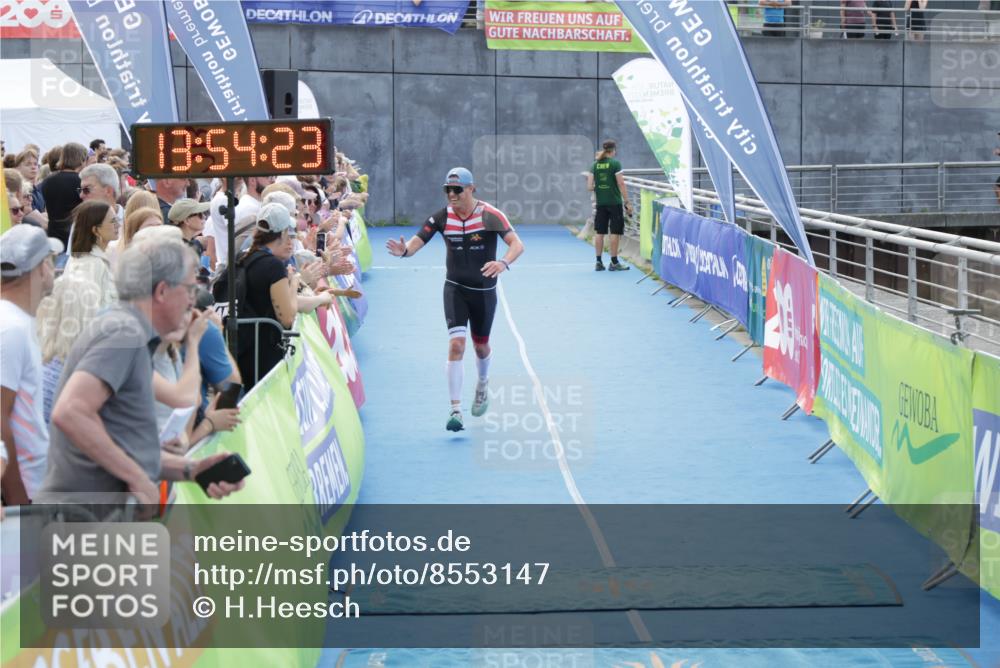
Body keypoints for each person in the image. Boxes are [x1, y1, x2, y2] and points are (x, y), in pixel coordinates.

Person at [36, 237, 245, 506]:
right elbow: (71, 411)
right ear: (161, 291)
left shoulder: (133, 333)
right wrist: (136, 476)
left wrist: (191, 469)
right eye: (190, 291)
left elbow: (122, 444)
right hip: (87, 520)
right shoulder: (124, 333)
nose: (192, 303)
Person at [386, 167, 524, 432]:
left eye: (457, 189)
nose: (451, 194)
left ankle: (482, 384)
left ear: (471, 189)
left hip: (484, 292)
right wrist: (405, 252)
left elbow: (517, 244)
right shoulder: (441, 217)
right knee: (457, 345)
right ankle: (455, 409)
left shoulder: (490, 215)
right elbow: (417, 240)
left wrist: (503, 263)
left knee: (481, 347)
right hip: (455, 289)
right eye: (447, 190)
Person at [0, 225, 60, 503]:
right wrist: (17, 497)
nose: (53, 269)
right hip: (25, 491)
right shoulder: (10, 327)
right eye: (50, 261)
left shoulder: (17, 322)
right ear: (40, 269)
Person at [588, 140, 632, 272]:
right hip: (615, 203)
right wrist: (627, 202)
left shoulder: (594, 165)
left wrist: (600, 188)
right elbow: (621, 184)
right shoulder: (615, 164)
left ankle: (598, 262)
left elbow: (589, 187)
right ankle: (614, 262)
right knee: (615, 232)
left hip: (601, 203)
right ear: (613, 150)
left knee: (599, 232)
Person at [64, 200, 119, 308]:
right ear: (96, 230)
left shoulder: (93, 258)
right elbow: (86, 313)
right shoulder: (91, 264)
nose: (118, 224)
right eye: (113, 221)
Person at [39, 142, 86, 247]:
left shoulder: (47, 181)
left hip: (53, 234)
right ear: (81, 159)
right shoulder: (81, 181)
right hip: (75, 236)